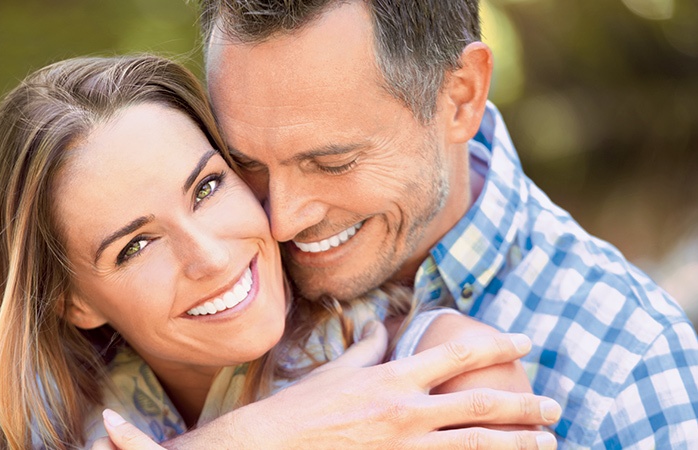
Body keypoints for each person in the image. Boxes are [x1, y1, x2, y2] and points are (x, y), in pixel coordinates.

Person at [0, 54, 561, 450]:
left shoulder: (440, 376)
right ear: (74, 301)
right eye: (137, 244)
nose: (208, 255)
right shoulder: (45, 418)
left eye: (207, 187)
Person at [184, 0, 698, 448]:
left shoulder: (631, 367)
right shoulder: (196, 275)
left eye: (333, 163)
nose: (280, 221)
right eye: (244, 161)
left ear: (461, 96)